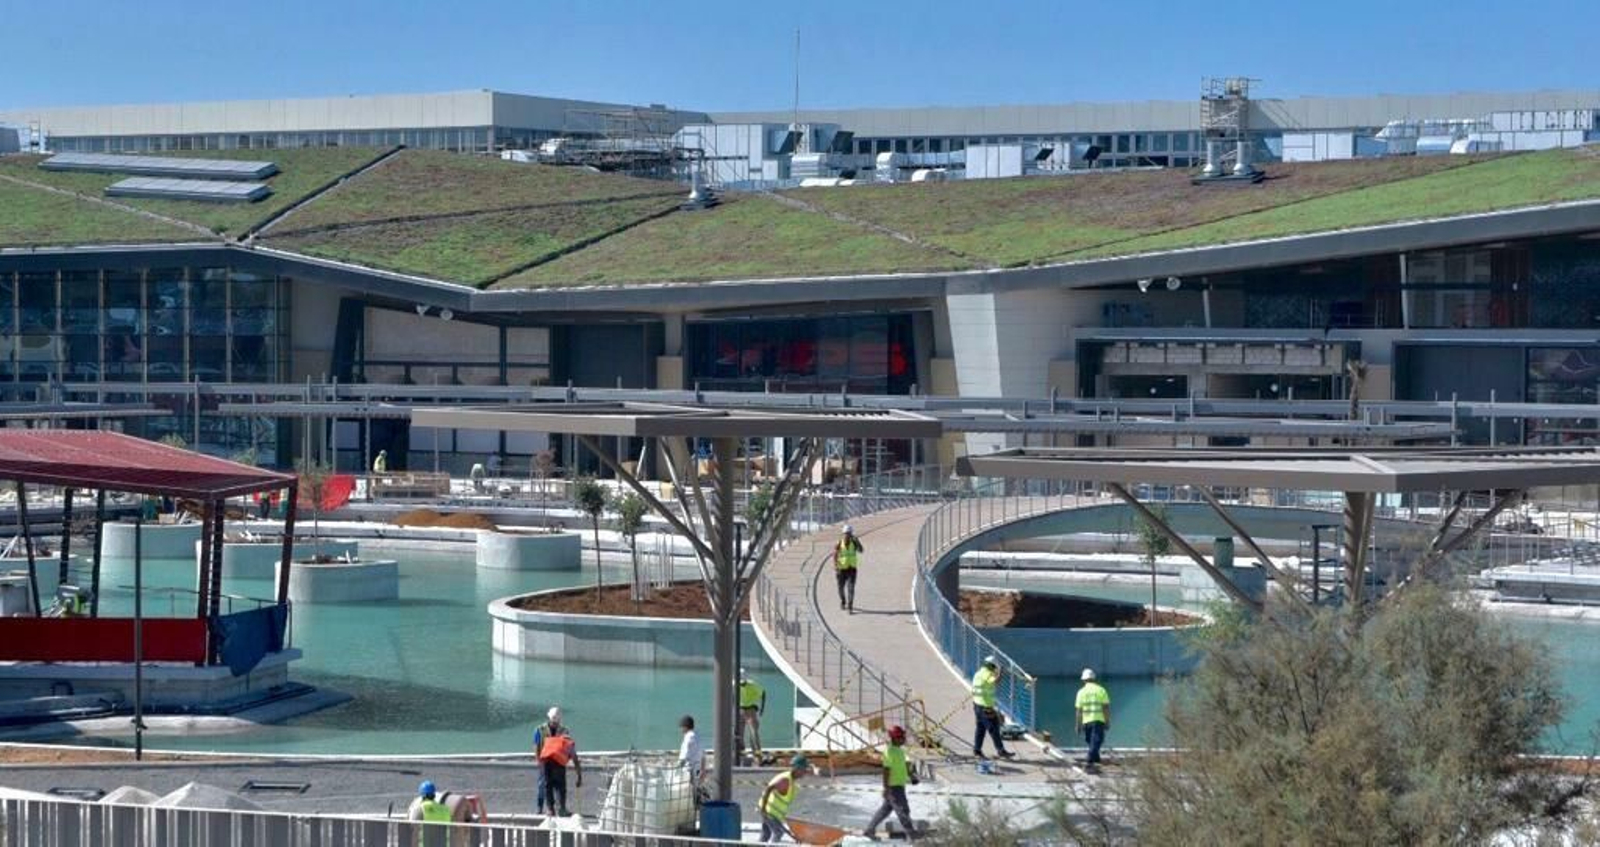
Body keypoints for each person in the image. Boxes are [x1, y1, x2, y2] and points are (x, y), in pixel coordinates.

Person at [863, 725, 919, 840]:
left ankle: (869, 830)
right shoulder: (889, 751)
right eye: (902, 737)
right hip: (894, 787)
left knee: (885, 811)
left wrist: (911, 776)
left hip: (899, 785)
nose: (904, 739)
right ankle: (911, 833)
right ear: (895, 738)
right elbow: (886, 770)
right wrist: (886, 788)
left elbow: (903, 766)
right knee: (903, 809)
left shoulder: (899, 751)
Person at [535, 706, 581, 816]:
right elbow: (571, 750)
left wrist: (539, 761)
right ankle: (557, 809)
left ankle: (550, 809)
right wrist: (578, 773)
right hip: (555, 763)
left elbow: (536, 747)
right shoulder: (563, 730)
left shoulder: (539, 730)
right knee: (556, 787)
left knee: (547, 786)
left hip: (546, 762)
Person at [970, 655, 1015, 760]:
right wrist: (1001, 672)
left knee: (980, 729)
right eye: (994, 667)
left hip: (977, 705)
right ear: (991, 666)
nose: (995, 669)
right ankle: (1000, 750)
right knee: (994, 728)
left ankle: (977, 750)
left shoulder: (979, 673)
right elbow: (995, 681)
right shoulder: (987, 673)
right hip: (985, 707)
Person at [758, 755, 811, 843]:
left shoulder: (791, 781)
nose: (805, 772)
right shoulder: (785, 780)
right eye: (804, 770)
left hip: (772, 813)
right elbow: (769, 789)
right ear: (797, 769)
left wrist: (793, 836)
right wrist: (763, 809)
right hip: (769, 812)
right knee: (778, 833)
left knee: (766, 834)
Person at [1075, 667, 1111, 770]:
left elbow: (1078, 710)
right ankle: (1090, 760)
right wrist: (1107, 721)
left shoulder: (1081, 692)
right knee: (1097, 740)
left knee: (1091, 740)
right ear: (1094, 678)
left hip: (1087, 721)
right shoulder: (1101, 690)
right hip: (1098, 720)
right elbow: (1106, 707)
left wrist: (1078, 724)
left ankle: (1096, 759)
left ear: (1083, 680)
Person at [831, 524, 864, 613]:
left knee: (851, 588)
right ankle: (843, 601)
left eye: (849, 534)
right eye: (846, 533)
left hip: (852, 569)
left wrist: (858, 541)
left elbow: (861, 550)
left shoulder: (854, 542)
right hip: (841, 570)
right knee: (840, 588)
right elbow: (835, 554)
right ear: (843, 534)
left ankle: (850, 606)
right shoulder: (839, 543)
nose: (847, 535)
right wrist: (835, 566)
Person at [737, 667, 767, 761]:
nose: (742, 684)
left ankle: (758, 756)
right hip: (740, 710)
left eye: (743, 682)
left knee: (753, 734)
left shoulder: (752, 685)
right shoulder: (735, 684)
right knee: (739, 734)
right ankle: (741, 755)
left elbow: (763, 693)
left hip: (751, 710)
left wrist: (762, 709)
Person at [677, 714, 705, 802]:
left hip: (689, 770)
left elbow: (684, 756)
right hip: (698, 768)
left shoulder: (688, 738)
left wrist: (676, 767)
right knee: (695, 790)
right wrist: (703, 770)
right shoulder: (697, 736)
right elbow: (703, 755)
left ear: (685, 727)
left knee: (687, 793)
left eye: (682, 727)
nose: (681, 729)